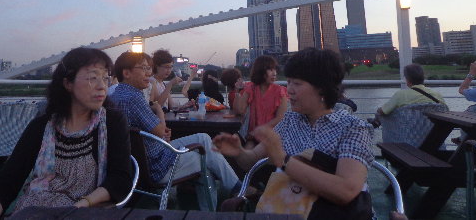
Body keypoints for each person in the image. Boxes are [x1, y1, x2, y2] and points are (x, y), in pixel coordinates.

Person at [0, 48, 132, 220]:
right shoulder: (42, 127)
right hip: (32, 212)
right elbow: (6, 185)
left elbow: (120, 180)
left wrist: (81, 205)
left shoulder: (112, 123)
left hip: (81, 213)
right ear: (68, 83)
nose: (102, 86)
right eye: (92, 78)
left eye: (105, 77)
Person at [213, 48, 374, 212]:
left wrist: (283, 160)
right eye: (288, 82)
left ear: (322, 88)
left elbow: (346, 190)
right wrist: (239, 152)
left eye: (297, 83)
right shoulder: (289, 121)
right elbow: (251, 160)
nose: (289, 89)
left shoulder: (353, 127)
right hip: (288, 210)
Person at [108, 51, 241, 197]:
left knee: (203, 138)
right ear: (126, 73)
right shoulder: (134, 98)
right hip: (158, 165)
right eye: (143, 68)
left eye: (149, 68)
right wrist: (159, 110)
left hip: (142, 160)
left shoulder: (115, 96)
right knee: (206, 159)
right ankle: (234, 192)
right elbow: (161, 131)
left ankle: (235, 187)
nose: (149, 73)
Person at [370, 63, 445, 127]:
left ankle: (375, 123)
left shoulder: (401, 95)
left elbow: (383, 111)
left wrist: (379, 110)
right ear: (423, 78)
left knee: (384, 113)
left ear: (407, 80)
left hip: (406, 135)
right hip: (433, 136)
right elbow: (444, 110)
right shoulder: (437, 95)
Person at [234, 56, 287, 146]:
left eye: (274, 69)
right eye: (270, 70)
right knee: (246, 151)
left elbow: (280, 118)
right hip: (253, 138)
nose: (274, 73)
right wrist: (237, 91)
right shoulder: (251, 88)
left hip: (272, 137)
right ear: (260, 71)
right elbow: (240, 110)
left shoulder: (280, 91)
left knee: (253, 152)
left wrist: (257, 131)